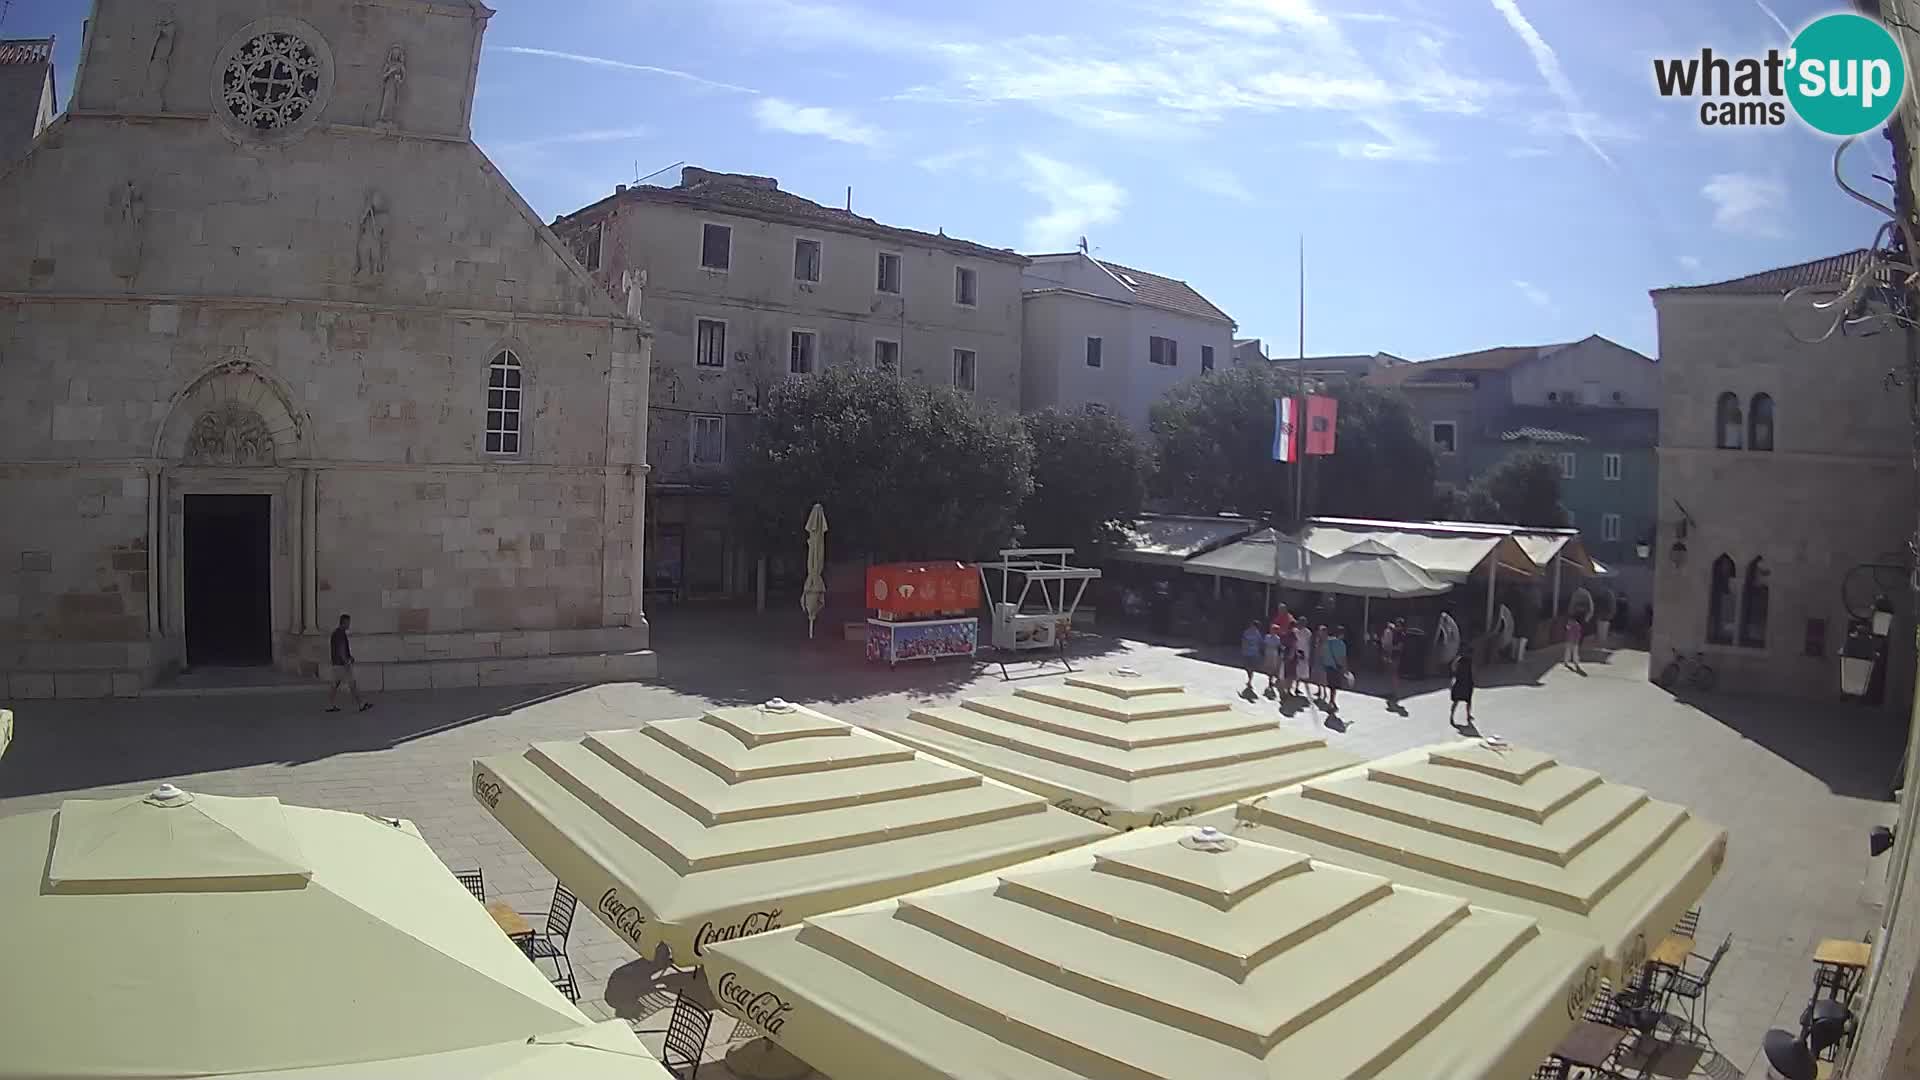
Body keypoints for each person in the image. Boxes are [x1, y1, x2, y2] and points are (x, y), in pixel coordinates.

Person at [327, 613, 373, 713]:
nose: (349, 625)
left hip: (335, 664)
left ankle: (330, 705)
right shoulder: (341, 634)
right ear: (345, 622)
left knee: (334, 685)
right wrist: (347, 661)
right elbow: (341, 649)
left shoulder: (335, 633)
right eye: (348, 622)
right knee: (353, 685)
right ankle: (361, 704)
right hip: (342, 665)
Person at [1322, 626, 1349, 710]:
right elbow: (1342, 658)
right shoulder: (1341, 644)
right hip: (1336, 667)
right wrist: (1345, 669)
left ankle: (1332, 701)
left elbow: (1324, 652)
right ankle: (1331, 702)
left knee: (1331, 685)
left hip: (1327, 666)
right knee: (1334, 686)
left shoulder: (1328, 641)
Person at [1381, 617, 1405, 707]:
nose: (1397, 626)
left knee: (1394, 674)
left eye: (1399, 625)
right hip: (1391, 655)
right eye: (1397, 624)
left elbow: (1400, 647)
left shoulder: (1401, 635)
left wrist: (1390, 648)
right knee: (1389, 674)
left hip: (1396, 656)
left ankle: (1395, 693)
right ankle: (1391, 692)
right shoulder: (1395, 633)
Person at [1449, 649, 1476, 727]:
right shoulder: (1463, 660)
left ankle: (1453, 717)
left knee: (1458, 701)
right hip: (1464, 681)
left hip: (1462, 681)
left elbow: (1453, 668)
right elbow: (1473, 670)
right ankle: (1465, 716)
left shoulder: (1460, 659)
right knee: (1466, 700)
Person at [1261, 620, 1286, 699]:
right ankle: (1270, 678)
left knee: (1273, 668)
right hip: (1268, 653)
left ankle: (1270, 680)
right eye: (1273, 629)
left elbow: (1278, 646)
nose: (1274, 631)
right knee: (1268, 667)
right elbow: (1264, 644)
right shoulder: (1267, 637)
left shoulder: (1277, 638)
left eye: (1275, 630)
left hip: (1274, 654)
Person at [1240, 618, 1264, 694]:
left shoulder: (1257, 634)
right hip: (1246, 652)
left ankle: (1250, 681)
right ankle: (1249, 677)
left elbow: (1260, 642)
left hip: (1254, 653)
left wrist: (1260, 650)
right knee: (1247, 666)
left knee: (1252, 667)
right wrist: (1243, 647)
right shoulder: (1247, 632)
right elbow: (1243, 640)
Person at [1291, 620, 1313, 700]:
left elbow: (1309, 643)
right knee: (1294, 670)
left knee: (1301, 671)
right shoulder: (1295, 631)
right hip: (1295, 651)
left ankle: (1296, 687)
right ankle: (1291, 686)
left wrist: (1307, 654)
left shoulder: (1307, 632)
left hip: (1304, 652)